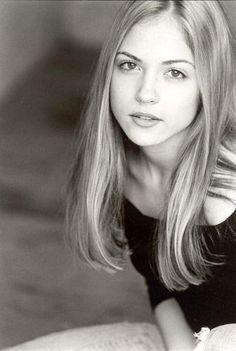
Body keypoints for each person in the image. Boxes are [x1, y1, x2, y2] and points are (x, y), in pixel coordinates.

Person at [67, 1, 236, 350]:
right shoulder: (118, 170)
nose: (145, 94)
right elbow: (162, 290)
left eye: (175, 73)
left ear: (210, 83)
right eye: (129, 65)